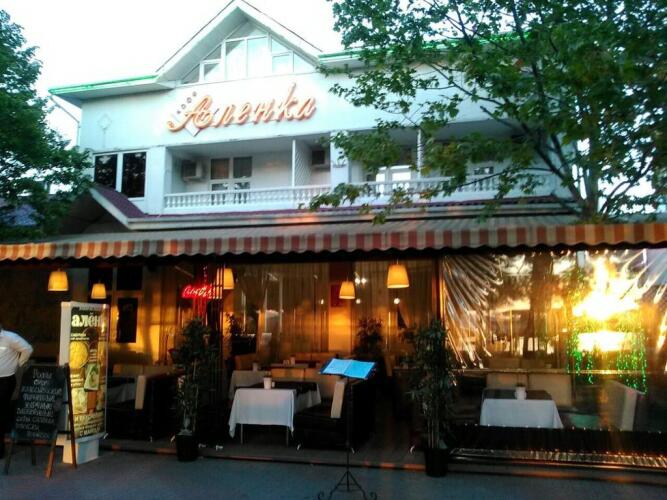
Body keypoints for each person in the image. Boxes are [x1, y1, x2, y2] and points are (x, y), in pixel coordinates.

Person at [0, 322, 33, 459]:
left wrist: (19, 364)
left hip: (4, 380)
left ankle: (0, 449)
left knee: (1, 412)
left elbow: (27, 349)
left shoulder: (10, 337)